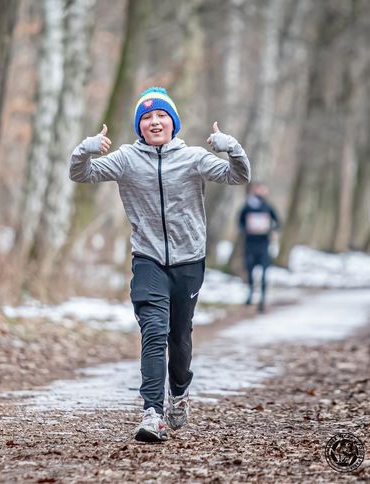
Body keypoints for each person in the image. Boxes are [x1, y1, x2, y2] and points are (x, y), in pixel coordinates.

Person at [69, 87, 250, 442]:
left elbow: (238, 176)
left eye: (161, 116)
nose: (154, 122)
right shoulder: (126, 159)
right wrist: (84, 149)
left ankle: (179, 392)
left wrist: (232, 147)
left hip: (189, 261)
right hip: (148, 258)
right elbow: (81, 174)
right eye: (147, 118)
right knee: (154, 332)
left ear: (173, 123)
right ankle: (152, 412)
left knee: (179, 337)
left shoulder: (194, 157)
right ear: (139, 126)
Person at [238, 181, 280, 313]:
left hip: (263, 244)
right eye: (257, 189)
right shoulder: (247, 206)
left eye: (262, 189)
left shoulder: (267, 206)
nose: (260, 191)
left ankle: (262, 298)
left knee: (263, 273)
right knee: (250, 270)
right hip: (250, 244)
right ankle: (250, 295)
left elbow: (278, 222)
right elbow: (240, 222)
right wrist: (248, 229)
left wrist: (271, 230)